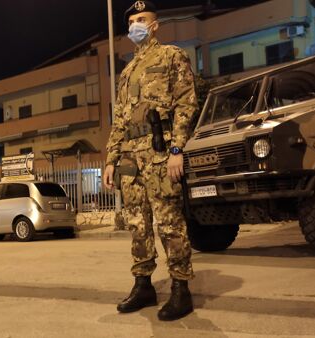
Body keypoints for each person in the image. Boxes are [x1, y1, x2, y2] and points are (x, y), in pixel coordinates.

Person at [102, 1, 198, 321]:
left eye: (141, 20)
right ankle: (143, 285)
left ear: (155, 25)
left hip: (160, 150)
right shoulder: (127, 71)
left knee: (169, 221)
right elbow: (120, 119)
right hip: (131, 155)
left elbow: (186, 103)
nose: (135, 26)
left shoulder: (172, 56)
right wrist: (111, 158)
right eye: (131, 22)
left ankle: (181, 289)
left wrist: (177, 149)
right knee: (138, 224)